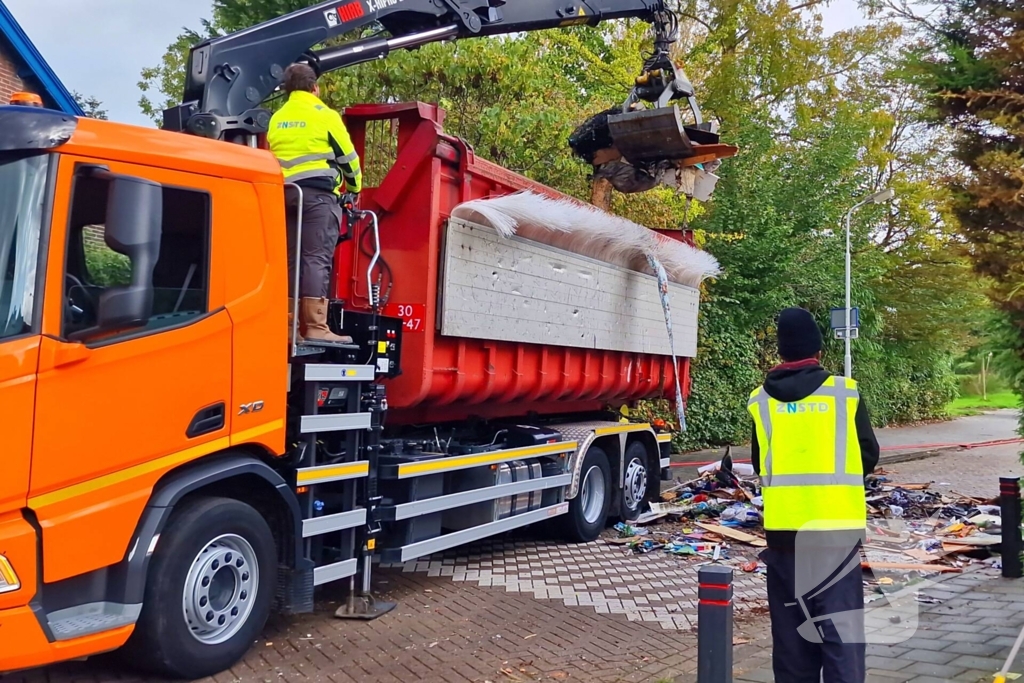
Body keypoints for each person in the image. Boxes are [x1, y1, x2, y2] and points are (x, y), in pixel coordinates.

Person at [748, 307, 880, 683]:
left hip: (784, 538)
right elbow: (868, 453)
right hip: (836, 535)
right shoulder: (844, 393)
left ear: (781, 351)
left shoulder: (760, 401)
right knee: (841, 638)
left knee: (792, 642)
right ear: (818, 351)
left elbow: (762, 463)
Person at [268, 63, 362, 344]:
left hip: (283, 195)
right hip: (317, 198)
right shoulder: (324, 115)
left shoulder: (277, 118)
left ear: (287, 89)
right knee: (315, 259)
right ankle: (316, 326)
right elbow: (348, 157)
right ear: (315, 88)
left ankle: (288, 327)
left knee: (289, 261)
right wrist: (354, 188)